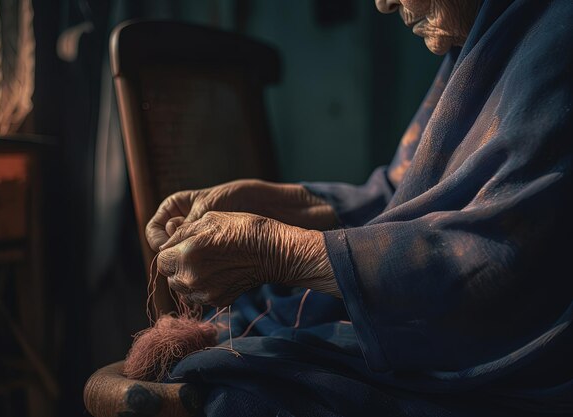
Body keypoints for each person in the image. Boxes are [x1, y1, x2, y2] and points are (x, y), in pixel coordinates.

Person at [146, 0, 573, 415]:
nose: (385, 4)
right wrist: (288, 203)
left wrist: (282, 251)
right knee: (251, 329)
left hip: (524, 375)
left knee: (242, 393)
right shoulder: (488, 33)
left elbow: (500, 264)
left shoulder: (558, 40)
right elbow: (403, 195)